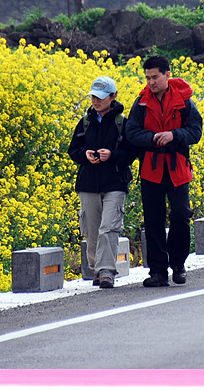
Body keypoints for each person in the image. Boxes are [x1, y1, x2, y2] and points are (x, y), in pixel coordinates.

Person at [125, 55, 203, 287]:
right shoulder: (140, 103)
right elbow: (131, 132)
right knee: (153, 220)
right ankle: (158, 271)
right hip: (151, 169)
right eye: (148, 78)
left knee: (181, 214)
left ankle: (178, 265)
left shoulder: (185, 101)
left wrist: (173, 135)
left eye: (155, 77)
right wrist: (153, 139)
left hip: (178, 167)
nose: (151, 82)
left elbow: (195, 131)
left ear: (167, 75)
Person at [68, 76, 137, 288]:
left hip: (114, 182)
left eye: (100, 97)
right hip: (88, 183)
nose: (95, 101)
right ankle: (97, 268)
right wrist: (85, 154)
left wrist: (112, 155)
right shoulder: (85, 122)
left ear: (113, 96)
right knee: (92, 231)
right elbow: (73, 150)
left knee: (109, 227)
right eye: (93, 97)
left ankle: (106, 271)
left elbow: (132, 153)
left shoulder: (122, 123)